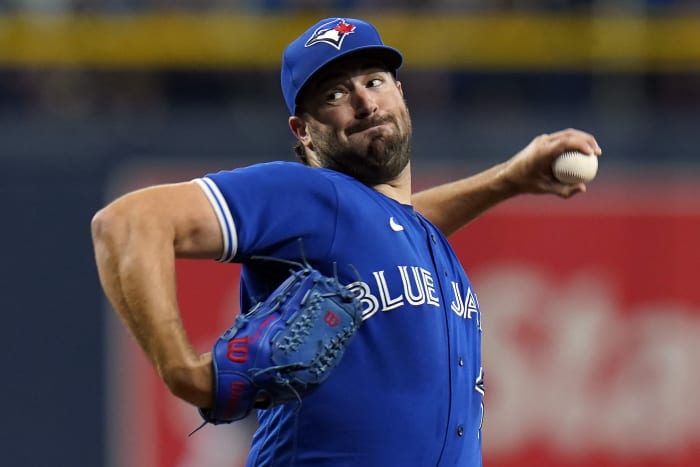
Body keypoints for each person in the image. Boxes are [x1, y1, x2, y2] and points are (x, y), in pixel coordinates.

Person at [91, 17, 602, 467]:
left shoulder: (409, 234)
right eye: (335, 94)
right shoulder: (309, 195)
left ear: (400, 93)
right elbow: (127, 222)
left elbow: (395, 223)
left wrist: (508, 179)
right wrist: (183, 372)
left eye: (374, 81)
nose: (363, 101)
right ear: (304, 131)